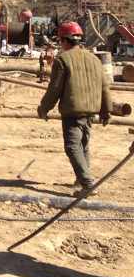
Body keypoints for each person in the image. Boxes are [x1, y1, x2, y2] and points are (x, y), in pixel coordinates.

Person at [38, 21, 112, 195]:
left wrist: (44, 108)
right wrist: (106, 111)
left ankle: (87, 184)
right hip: (90, 111)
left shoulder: (63, 60)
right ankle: (81, 180)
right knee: (83, 146)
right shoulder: (94, 59)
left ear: (64, 40)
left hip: (73, 111)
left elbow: (55, 89)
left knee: (72, 147)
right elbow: (104, 87)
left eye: (60, 40)